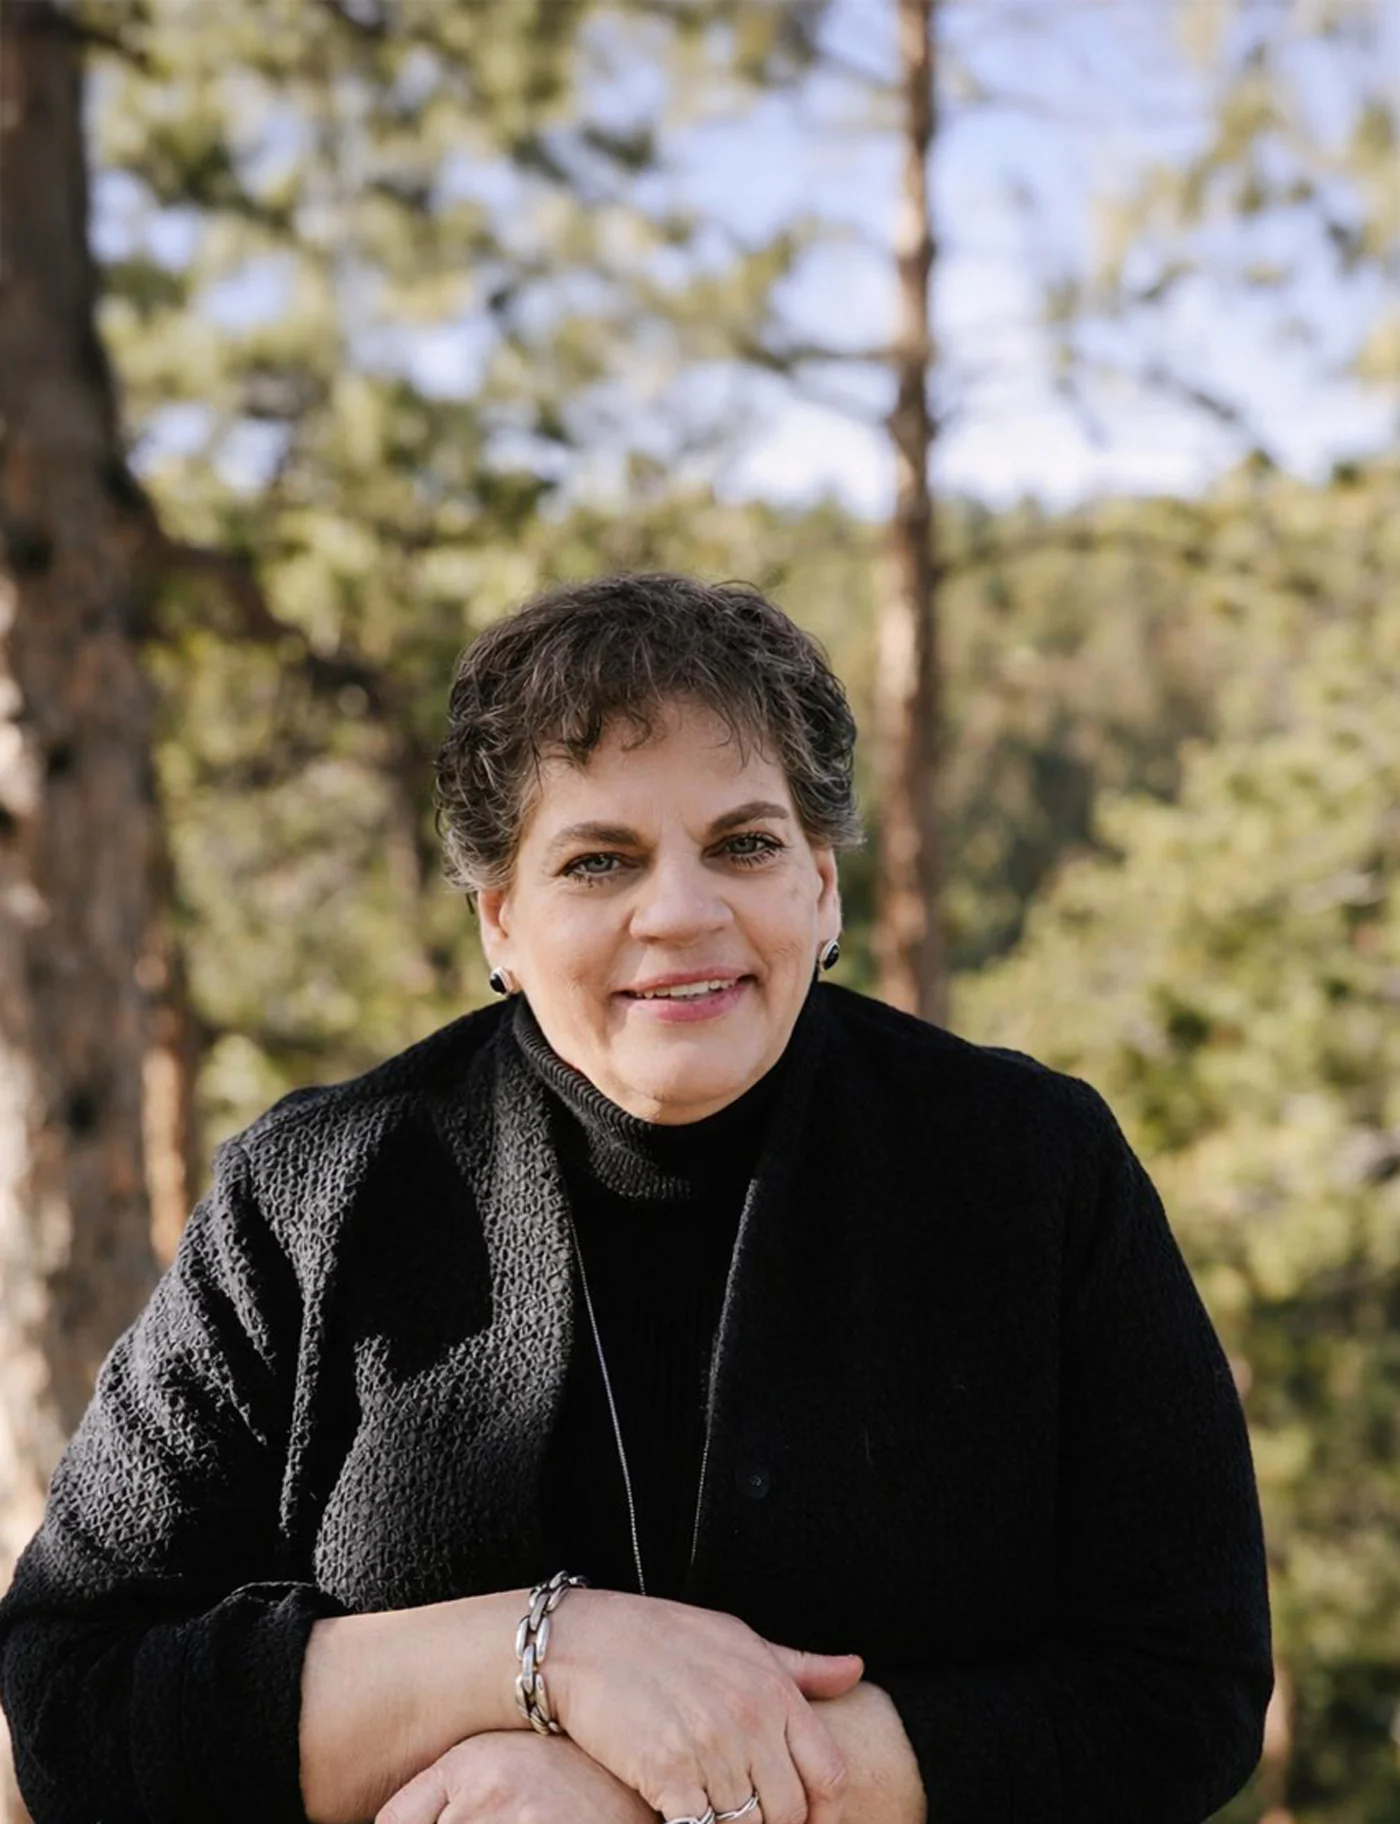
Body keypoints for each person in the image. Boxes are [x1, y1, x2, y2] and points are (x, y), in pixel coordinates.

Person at [0, 572, 1271, 1824]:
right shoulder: (310, 1194)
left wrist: (652, 1797)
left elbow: (1182, 1686)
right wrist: (550, 1658)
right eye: (598, 861)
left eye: (744, 844)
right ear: (499, 919)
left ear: (820, 886)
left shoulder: (1033, 1166)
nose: (679, 912)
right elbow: (73, 1696)